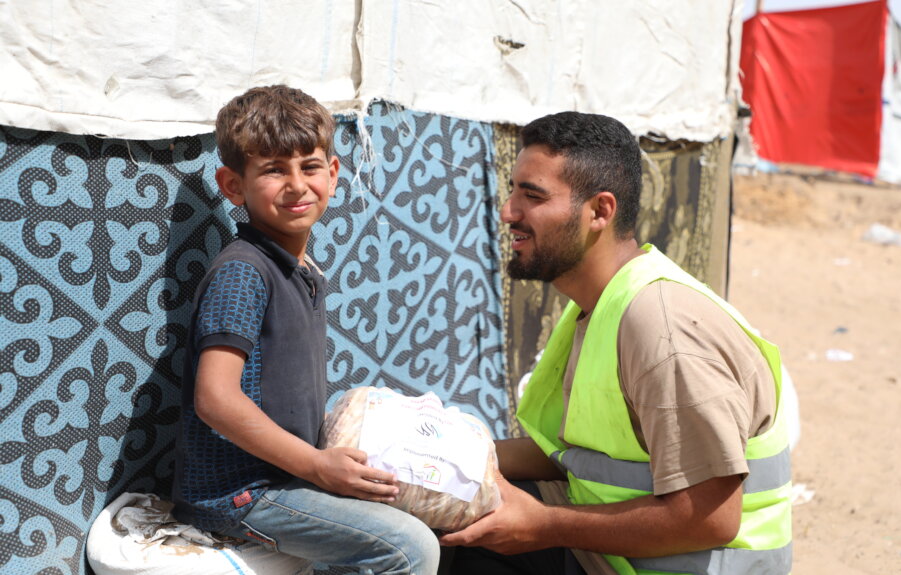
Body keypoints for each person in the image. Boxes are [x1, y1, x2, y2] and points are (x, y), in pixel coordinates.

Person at [441, 112, 792, 575]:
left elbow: (710, 518)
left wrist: (544, 526)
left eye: (533, 196)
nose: (509, 211)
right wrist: (439, 454)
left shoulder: (662, 331)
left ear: (600, 212)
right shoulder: (602, 304)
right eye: (513, 190)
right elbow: (581, 457)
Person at [171, 85, 439, 575]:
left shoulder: (301, 269)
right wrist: (316, 467)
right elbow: (215, 397)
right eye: (273, 169)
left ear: (333, 174)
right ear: (232, 186)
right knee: (408, 549)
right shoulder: (243, 272)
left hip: (285, 478)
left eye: (310, 166)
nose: (297, 184)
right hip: (239, 492)